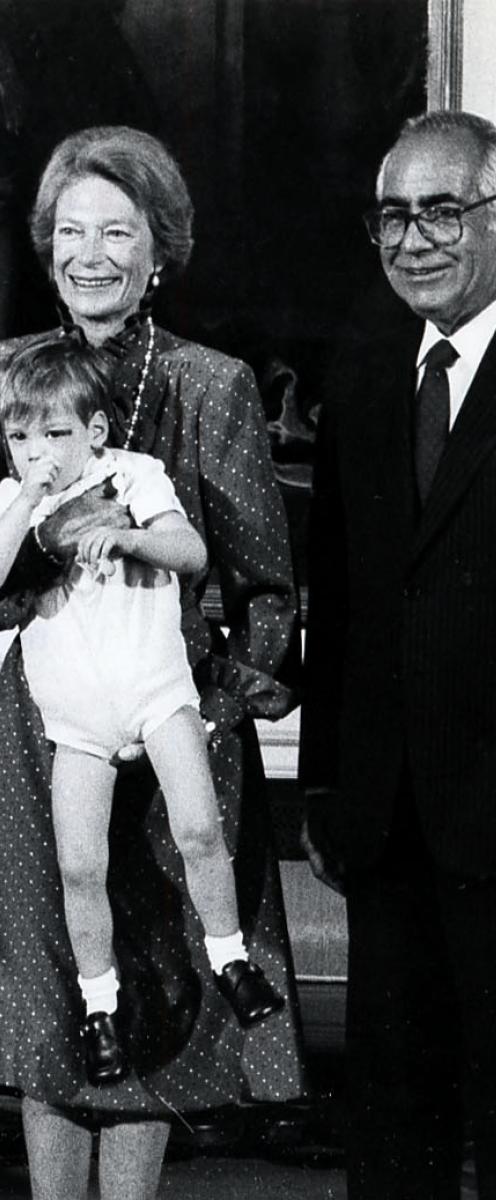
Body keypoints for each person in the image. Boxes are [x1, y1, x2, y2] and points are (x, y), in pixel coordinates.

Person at [0, 125, 304, 1195]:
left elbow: (265, 581)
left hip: (177, 715)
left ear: (158, 250)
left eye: (118, 232)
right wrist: (30, 539)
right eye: (71, 232)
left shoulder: (210, 383)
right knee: (56, 981)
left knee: (163, 981)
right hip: (48, 728)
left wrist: (214, 709)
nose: (91, 255)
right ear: (44, 247)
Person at [0, 335, 283, 1088]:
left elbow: (192, 550)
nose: (35, 450)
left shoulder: (131, 475)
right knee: (81, 864)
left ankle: (230, 957)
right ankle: (98, 1006)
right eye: (19, 436)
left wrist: (128, 533)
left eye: (54, 433)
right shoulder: (11, 503)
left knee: (199, 827)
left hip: (154, 690)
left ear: (96, 433)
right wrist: (30, 502)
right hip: (76, 719)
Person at [302, 110, 496, 1199]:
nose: (414, 241)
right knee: (391, 1121)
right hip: (385, 816)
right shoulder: (368, 358)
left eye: (443, 213)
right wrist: (326, 774)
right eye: (392, 217)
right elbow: (342, 584)